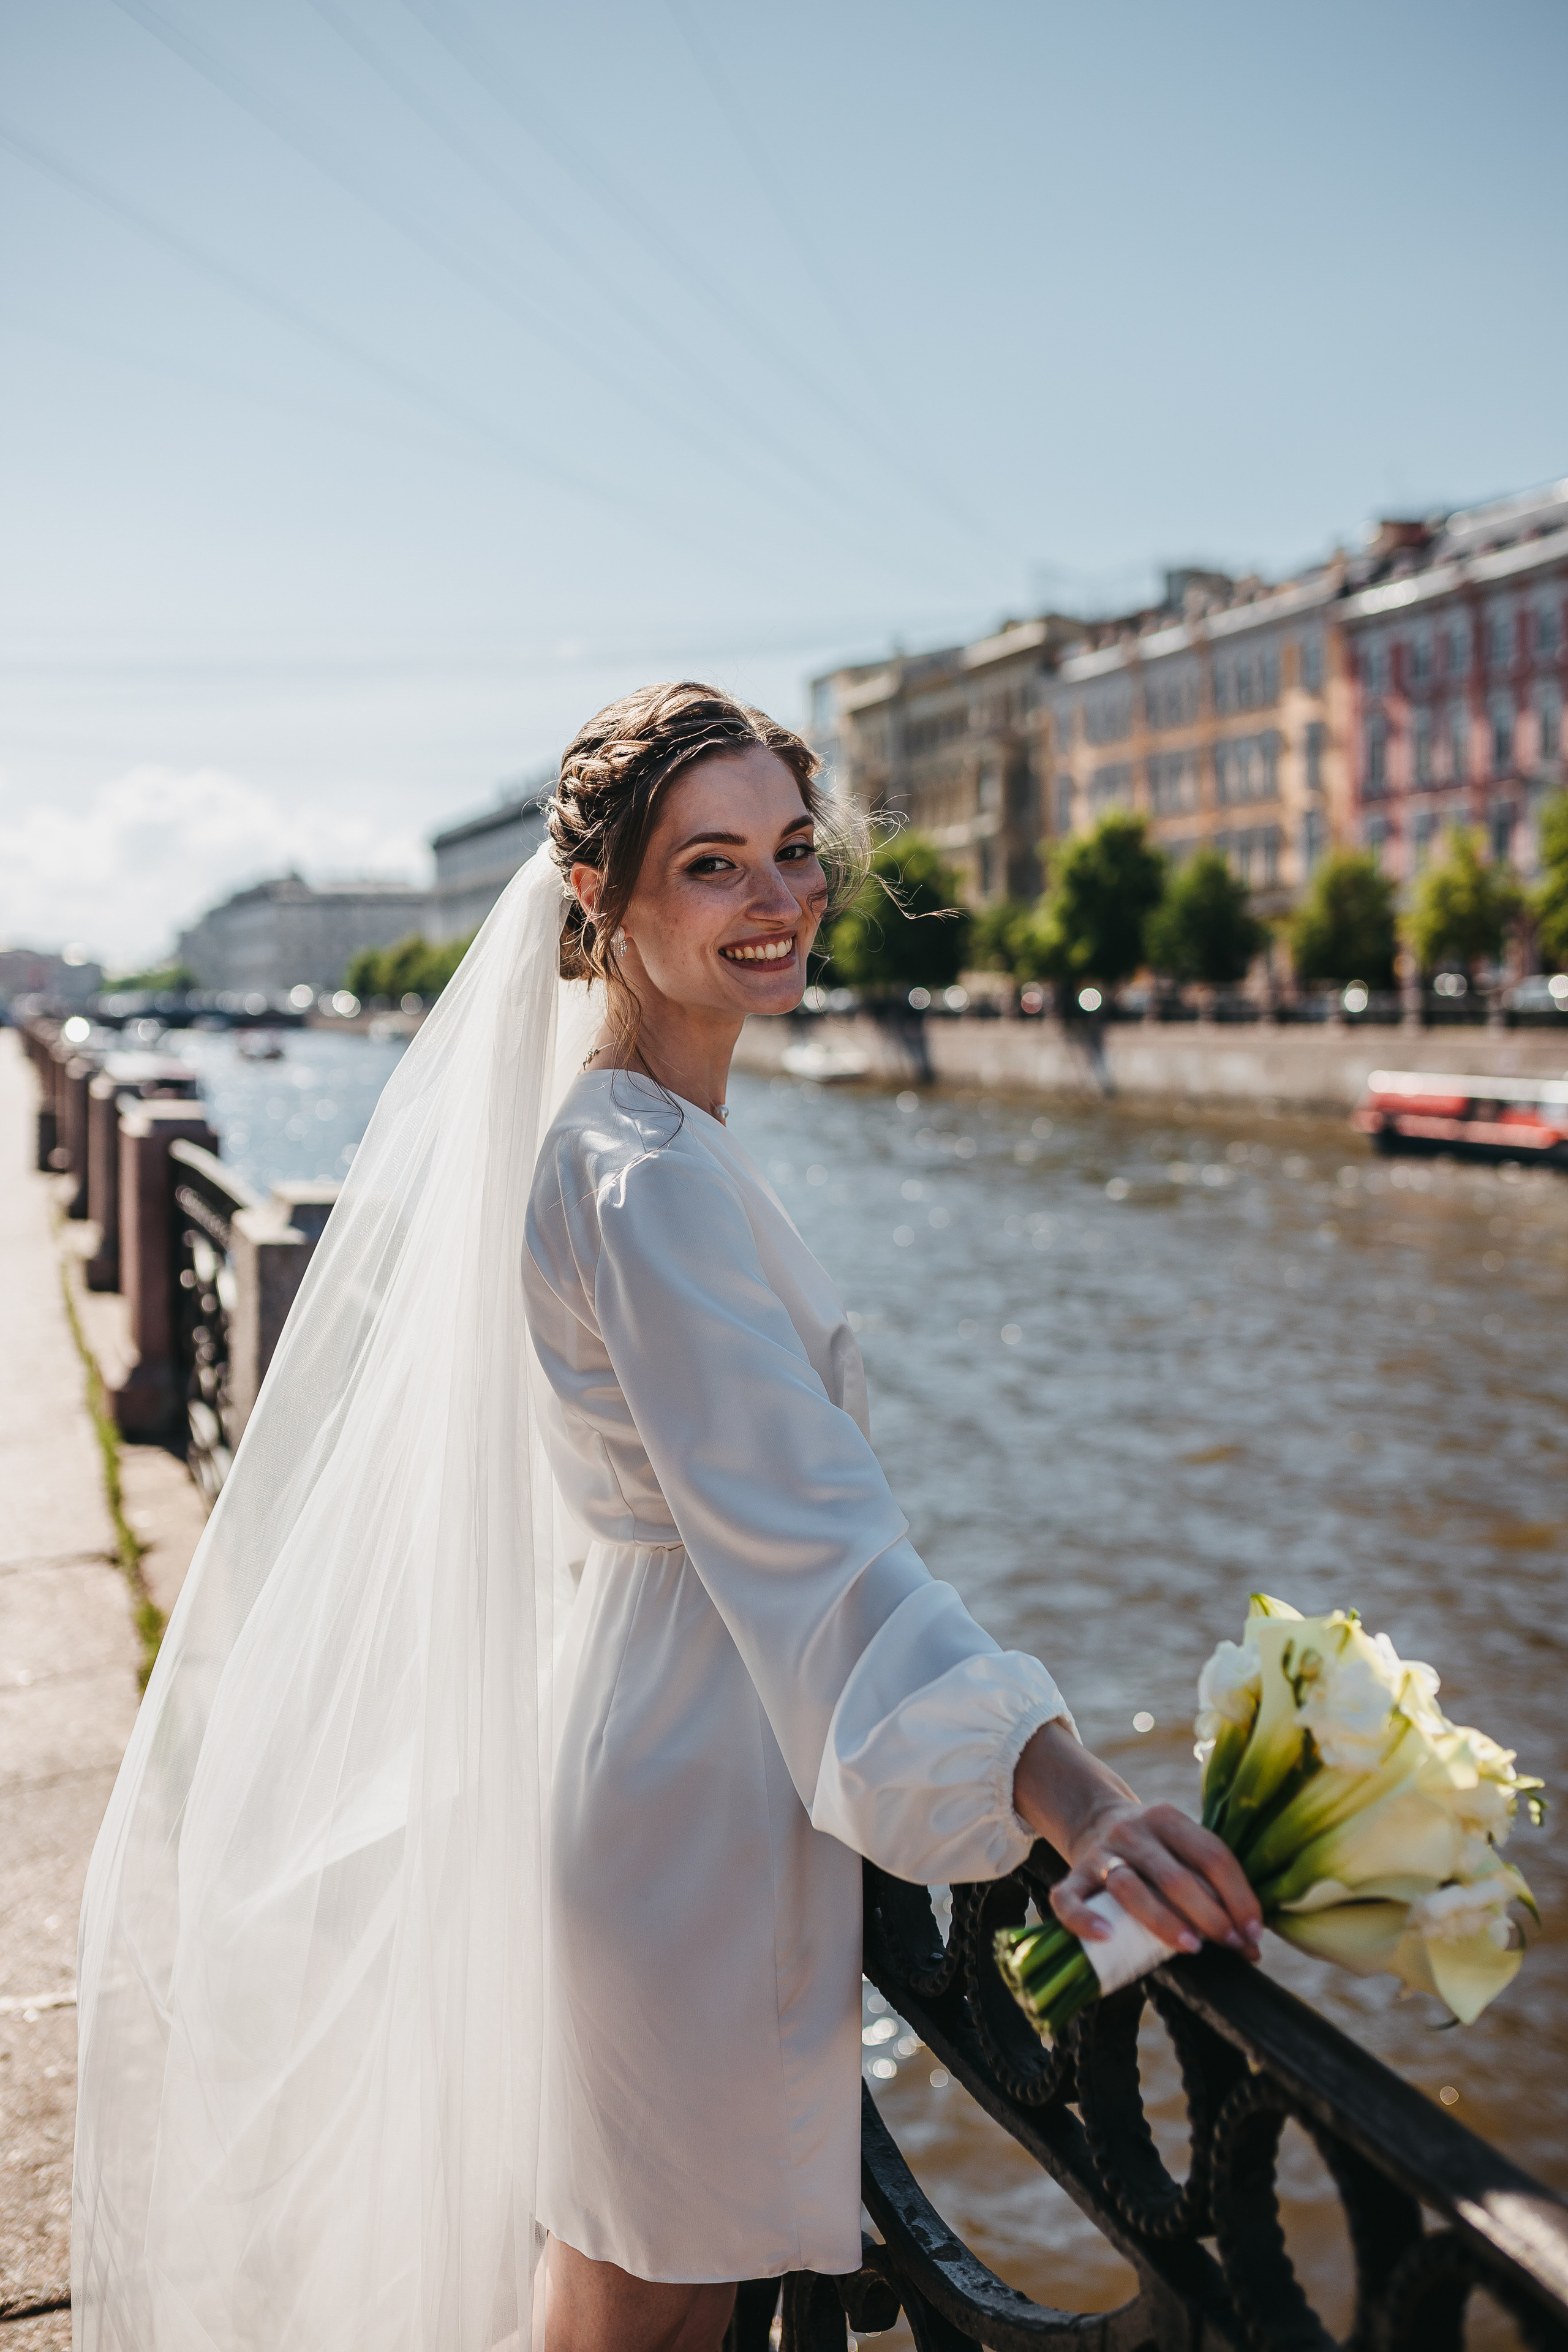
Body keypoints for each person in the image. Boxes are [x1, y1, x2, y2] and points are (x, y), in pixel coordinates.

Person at [71, 682, 1259, 2352]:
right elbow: (811, 1541)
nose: (779, 900)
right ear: (600, 901)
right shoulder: (647, 1176)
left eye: (793, 849)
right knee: (644, 2313)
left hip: (660, 1769)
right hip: (694, 1825)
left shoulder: (625, 1132)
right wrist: (1073, 1790)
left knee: (628, 2295)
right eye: (713, 865)